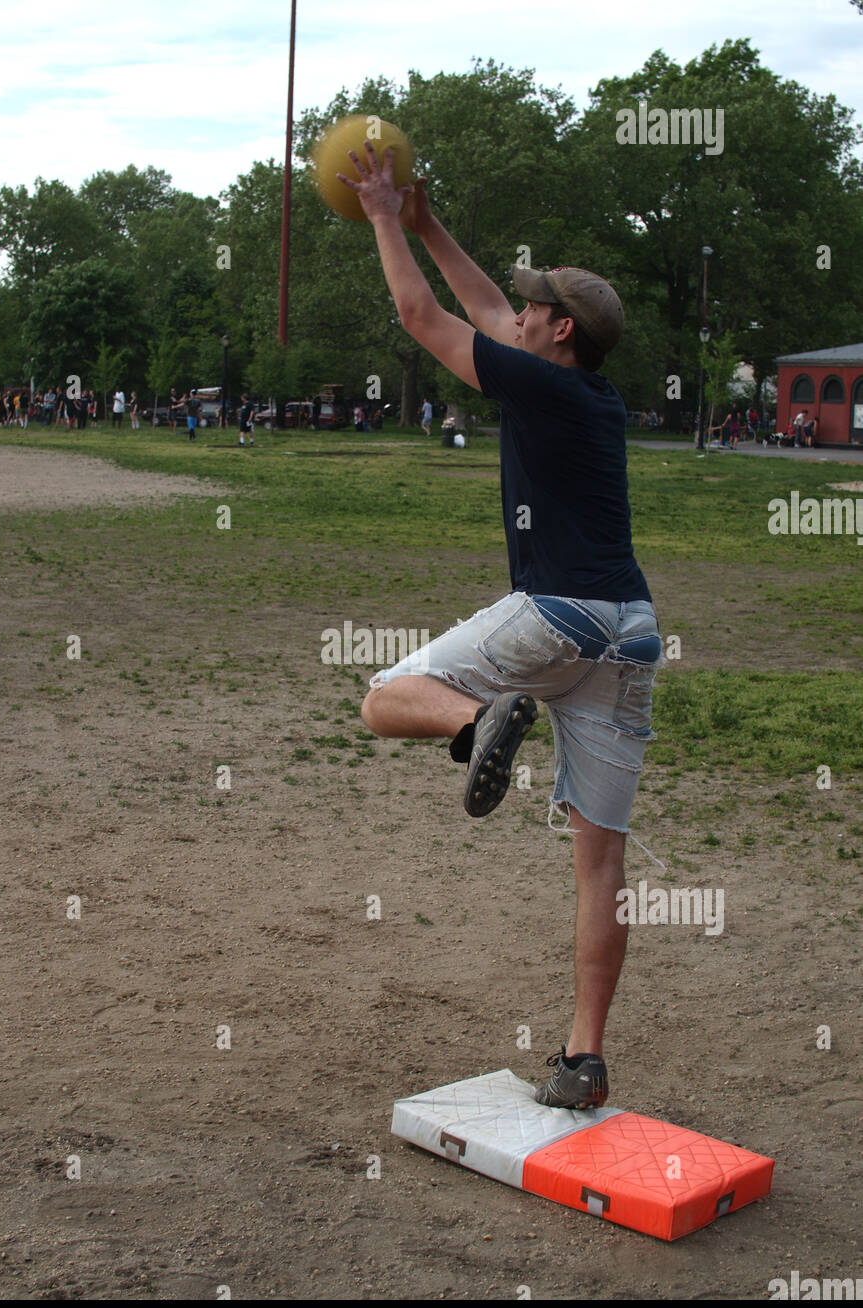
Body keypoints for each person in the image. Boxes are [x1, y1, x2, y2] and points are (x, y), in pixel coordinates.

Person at [338, 140, 663, 1110]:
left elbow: (421, 316)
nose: (511, 312)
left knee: (385, 698)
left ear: (557, 330)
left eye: (530, 308)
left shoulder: (542, 381)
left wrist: (385, 218)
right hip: (632, 633)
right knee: (599, 861)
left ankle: (476, 727)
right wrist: (430, 219)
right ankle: (583, 1058)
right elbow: (479, 309)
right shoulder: (579, 386)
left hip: (555, 615)